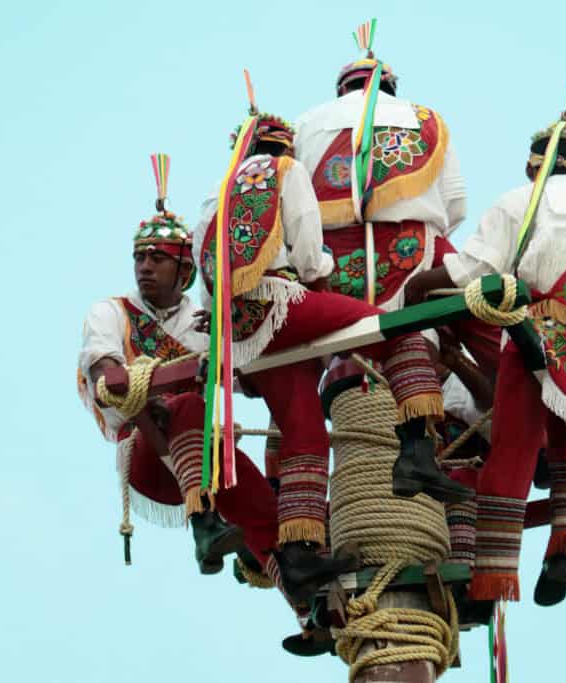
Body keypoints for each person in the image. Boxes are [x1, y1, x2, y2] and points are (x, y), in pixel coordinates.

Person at [193, 113, 470, 551]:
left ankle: (300, 555)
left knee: (303, 435)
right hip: (279, 305)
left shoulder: (216, 194)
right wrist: (319, 280)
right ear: (287, 147)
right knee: (395, 328)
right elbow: (307, 247)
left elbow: (204, 274)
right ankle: (415, 451)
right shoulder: (287, 171)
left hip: (240, 335)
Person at [404, 111, 566, 606]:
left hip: (538, 329)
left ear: (535, 168)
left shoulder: (522, 201)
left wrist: (418, 287)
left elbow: (476, 269)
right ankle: (565, 548)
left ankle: (492, 577)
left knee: (512, 450)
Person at [77, 171, 350, 601]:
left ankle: (308, 606)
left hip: (205, 454)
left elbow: (250, 385)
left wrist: (235, 337)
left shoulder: (204, 321)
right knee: (185, 405)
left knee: (264, 507)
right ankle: (204, 527)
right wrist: (142, 388)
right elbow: (105, 375)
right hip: (151, 455)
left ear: (186, 269)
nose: (145, 267)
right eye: (139, 258)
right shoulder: (110, 312)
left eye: (157, 258)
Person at [294, 49, 502, 373]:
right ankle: (525, 389)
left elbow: (292, 210)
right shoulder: (426, 117)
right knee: (483, 322)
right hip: (412, 247)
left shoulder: (305, 122)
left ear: (341, 90)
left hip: (327, 258)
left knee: (291, 341)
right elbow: (456, 204)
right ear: (391, 87)